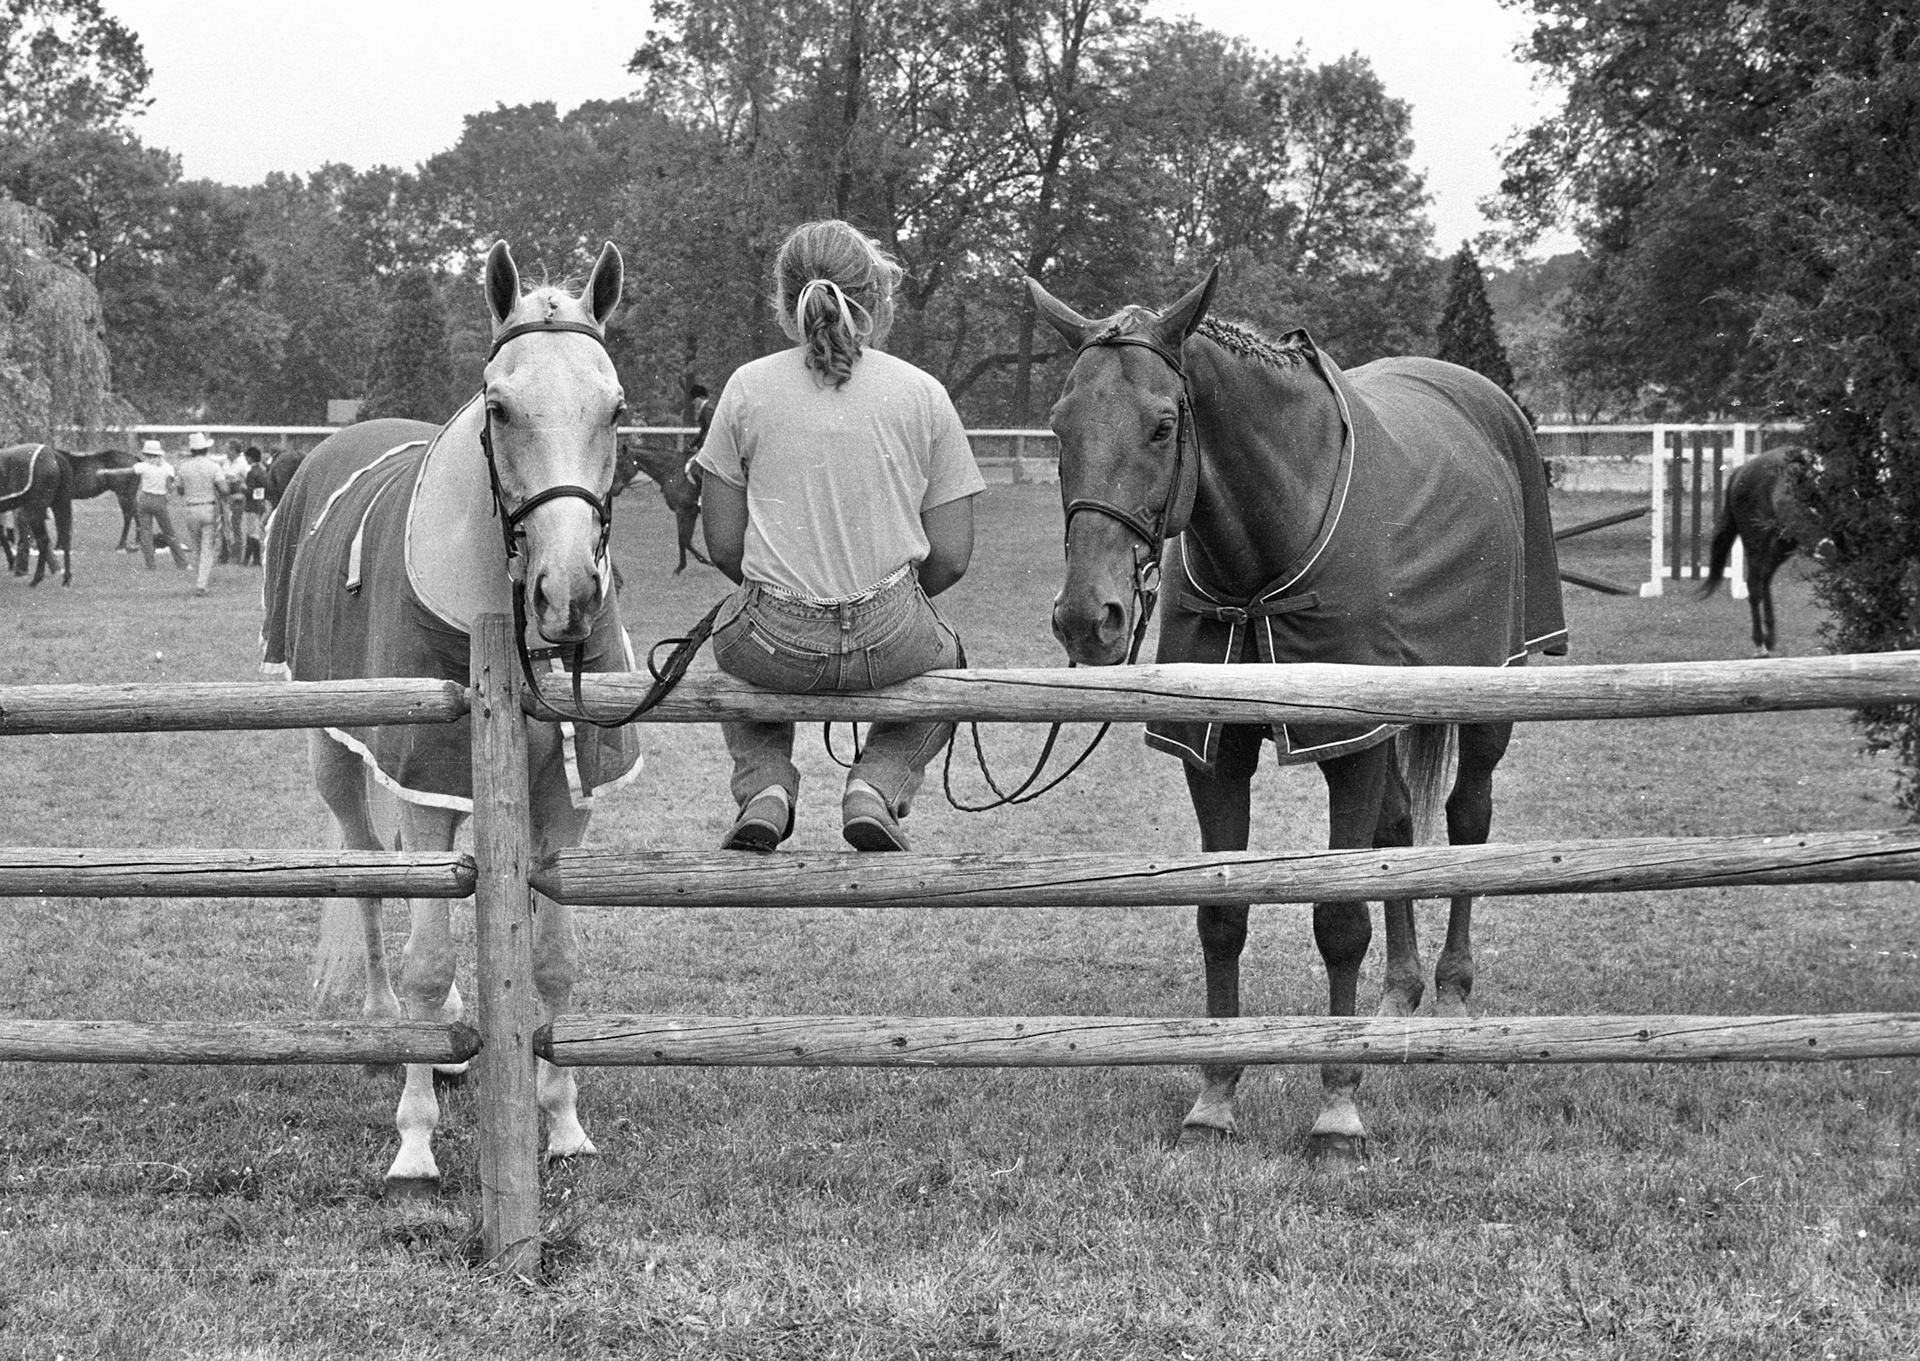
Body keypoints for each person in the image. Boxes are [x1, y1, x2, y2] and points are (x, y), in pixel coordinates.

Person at [694, 218, 984, 853]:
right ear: (876, 298)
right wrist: (889, 601)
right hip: (893, 637)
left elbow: (722, 544)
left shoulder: (745, 388)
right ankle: (877, 785)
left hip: (773, 642)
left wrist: (785, 591)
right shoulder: (924, 394)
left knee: (727, 635)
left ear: (785, 301)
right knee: (951, 657)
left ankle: (767, 786)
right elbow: (954, 555)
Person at [171, 430, 227, 596]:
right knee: (207, 546)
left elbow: (179, 490)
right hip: (208, 507)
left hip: (191, 508)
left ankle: (199, 579)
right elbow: (224, 489)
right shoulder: (213, 466)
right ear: (205, 449)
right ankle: (201, 584)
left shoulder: (184, 467)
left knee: (197, 547)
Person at [131, 439, 189, 571]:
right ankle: (182, 563)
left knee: (145, 533)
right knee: (169, 533)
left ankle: (150, 565)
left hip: (144, 498)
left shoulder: (143, 466)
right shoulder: (167, 468)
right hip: (159, 500)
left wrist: (106, 472)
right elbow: (170, 488)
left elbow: (127, 471)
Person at [240, 447, 269, 566]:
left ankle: (252, 559)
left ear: (250, 458)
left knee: (252, 533)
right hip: (260, 504)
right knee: (254, 532)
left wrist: (242, 487)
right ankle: (251, 559)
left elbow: (251, 491)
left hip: (251, 505)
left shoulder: (252, 472)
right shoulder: (262, 470)